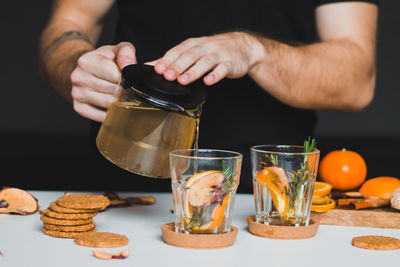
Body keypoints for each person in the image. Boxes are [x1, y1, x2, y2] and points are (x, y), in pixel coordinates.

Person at [39, 0, 379, 193]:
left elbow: (357, 81)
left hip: (266, 198)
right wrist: (76, 64)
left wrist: (254, 50)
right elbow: (70, 21)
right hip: (122, 191)